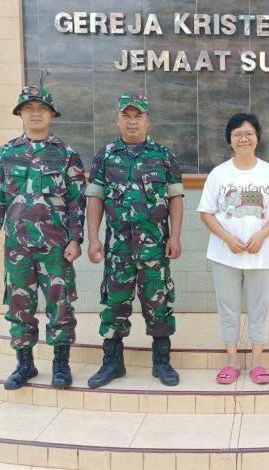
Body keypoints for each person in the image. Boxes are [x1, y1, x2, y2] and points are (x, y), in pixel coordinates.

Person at [0, 86, 86, 390]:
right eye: (29, 108)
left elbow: (76, 201)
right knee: (19, 306)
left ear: (52, 113)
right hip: (17, 246)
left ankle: (61, 365)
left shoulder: (67, 154)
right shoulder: (6, 153)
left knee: (61, 305)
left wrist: (75, 239)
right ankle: (24, 364)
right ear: (20, 114)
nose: (36, 112)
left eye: (42, 107)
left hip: (56, 247)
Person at [85, 92, 185, 388]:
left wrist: (176, 236)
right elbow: (95, 199)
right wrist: (93, 239)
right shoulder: (105, 156)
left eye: (137, 116)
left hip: (155, 248)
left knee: (159, 303)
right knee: (114, 304)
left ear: (147, 120)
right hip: (118, 249)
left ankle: (162, 363)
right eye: (126, 116)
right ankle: (113, 363)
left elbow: (175, 198)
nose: (132, 121)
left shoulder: (164, 156)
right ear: (117, 119)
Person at [197, 113, 269, 385]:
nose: (243, 138)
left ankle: (257, 361)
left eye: (249, 133)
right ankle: (231, 360)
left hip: (261, 256)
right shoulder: (219, 173)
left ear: (257, 138)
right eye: (237, 133)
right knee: (227, 307)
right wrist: (228, 239)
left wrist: (262, 235)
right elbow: (206, 213)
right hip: (224, 255)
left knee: (259, 308)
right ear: (230, 140)